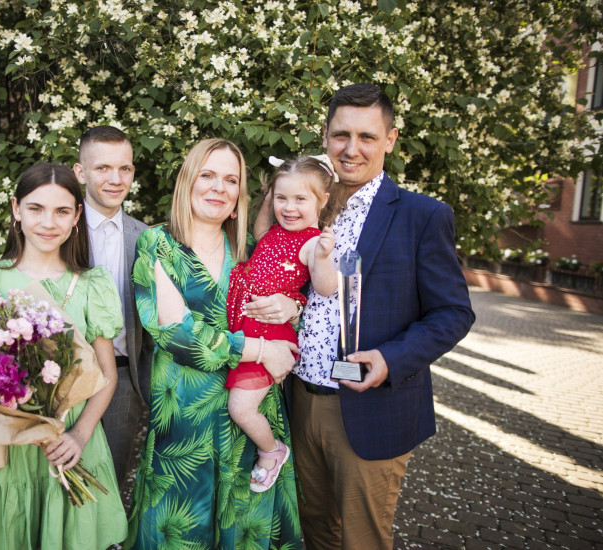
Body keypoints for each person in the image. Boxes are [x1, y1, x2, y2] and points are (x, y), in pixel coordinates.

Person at [292, 83, 476, 549]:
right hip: (298, 399)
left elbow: (453, 312)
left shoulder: (422, 216)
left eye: (367, 137)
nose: (351, 149)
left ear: (390, 140)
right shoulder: (302, 205)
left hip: (369, 406)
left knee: (363, 540)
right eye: (341, 135)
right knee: (314, 532)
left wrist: (391, 359)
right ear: (325, 136)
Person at [0, 163, 127, 549]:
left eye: (62, 211)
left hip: (69, 440)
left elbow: (107, 375)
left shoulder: (92, 286)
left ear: (77, 217)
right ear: (15, 209)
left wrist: (80, 435)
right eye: (36, 208)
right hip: (6, 448)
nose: (48, 222)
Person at [125, 138, 303, 549]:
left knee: (245, 532)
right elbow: (180, 336)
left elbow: (301, 295)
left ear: (240, 195)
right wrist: (261, 351)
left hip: (251, 420)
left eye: (230, 180)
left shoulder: (253, 251)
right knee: (180, 531)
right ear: (187, 181)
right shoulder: (157, 243)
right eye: (207, 175)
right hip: (185, 424)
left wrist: (293, 306)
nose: (219, 188)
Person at [225, 156, 339, 493]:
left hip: (270, 332)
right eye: (281, 198)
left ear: (322, 201)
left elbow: (326, 287)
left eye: (300, 199)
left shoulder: (312, 242)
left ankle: (272, 451)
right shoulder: (274, 232)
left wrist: (324, 257)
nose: (288, 208)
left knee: (240, 408)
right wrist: (268, 198)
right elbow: (258, 230)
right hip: (247, 330)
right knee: (235, 402)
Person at [73, 125, 152, 489]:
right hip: (64, 378)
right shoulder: (60, 230)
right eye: (102, 168)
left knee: (111, 484)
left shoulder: (146, 238)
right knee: (61, 481)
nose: (116, 179)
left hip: (121, 380)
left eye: (125, 168)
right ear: (80, 172)